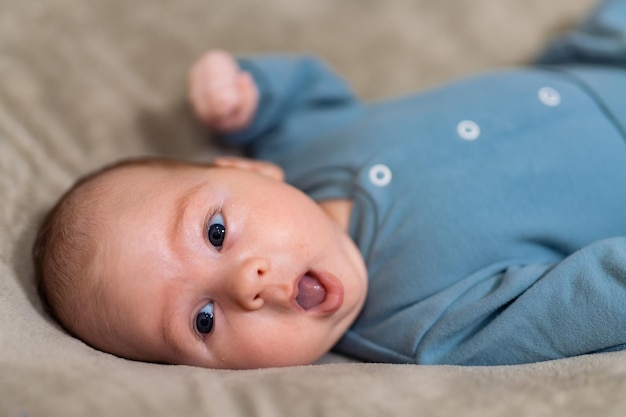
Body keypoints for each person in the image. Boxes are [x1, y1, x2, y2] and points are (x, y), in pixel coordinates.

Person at [34, 0, 626, 369]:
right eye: (203, 321)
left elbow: (306, 94)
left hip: (596, 57)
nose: (247, 282)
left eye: (216, 232)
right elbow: (587, 298)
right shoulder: (426, 327)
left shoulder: (296, 150)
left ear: (243, 169)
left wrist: (245, 93)